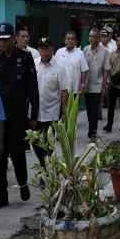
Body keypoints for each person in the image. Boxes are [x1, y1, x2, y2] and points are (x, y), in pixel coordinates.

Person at [0, 21, 39, 208]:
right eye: (0, 39)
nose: (3, 43)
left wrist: (34, 115)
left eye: (6, 39)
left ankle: (23, 184)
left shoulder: (25, 58)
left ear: (13, 38)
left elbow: (33, 88)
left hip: (18, 116)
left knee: (17, 154)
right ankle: (2, 195)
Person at [33, 37, 70, 167]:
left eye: (47, 48)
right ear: (39, 50)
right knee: (35, 141)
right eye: (42, 49)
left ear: (52, 49)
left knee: (49, 143)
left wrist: (64, 112)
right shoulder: (34, 64)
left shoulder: (60, 67)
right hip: (36, 112)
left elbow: (64, 91)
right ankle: (43, 163)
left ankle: (47, 166)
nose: (45, 52)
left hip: (52, 112)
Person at [83, 30, 109, 140]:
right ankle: (91, 129)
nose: (91, 38)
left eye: (94, 36)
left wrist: (104, 85)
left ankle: (93, 131)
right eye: (90, 36)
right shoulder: (85, 49)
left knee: (94, 110)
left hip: (98, 85)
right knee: (89, 109)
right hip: (87, 85)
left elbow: (106, 69)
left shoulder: (105, 51)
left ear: (98, 38)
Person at [54, 30, 88, 94]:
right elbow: (54, 68)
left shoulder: (80, 53)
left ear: (75, 41)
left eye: (72, 39)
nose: (70, 41)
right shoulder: (59, 52)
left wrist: (83, 83)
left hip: (75, 89)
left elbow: (84, 70)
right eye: (68, 39)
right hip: (60, 89)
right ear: (64, 40)